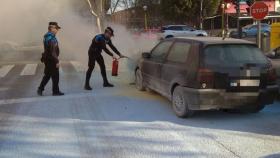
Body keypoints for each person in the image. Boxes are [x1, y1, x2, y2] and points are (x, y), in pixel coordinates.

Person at [37, 22, 64, 96]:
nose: (57, 30)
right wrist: (57, 61)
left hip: (47, 59)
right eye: (56, 28)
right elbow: (52, 51)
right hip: (51, 59)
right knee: (55, 76)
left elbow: (48, 50)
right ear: (51, 28)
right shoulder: (51, 38)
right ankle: (55, 91)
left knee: (48, 75)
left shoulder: (47, 36)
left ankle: (40, 89)